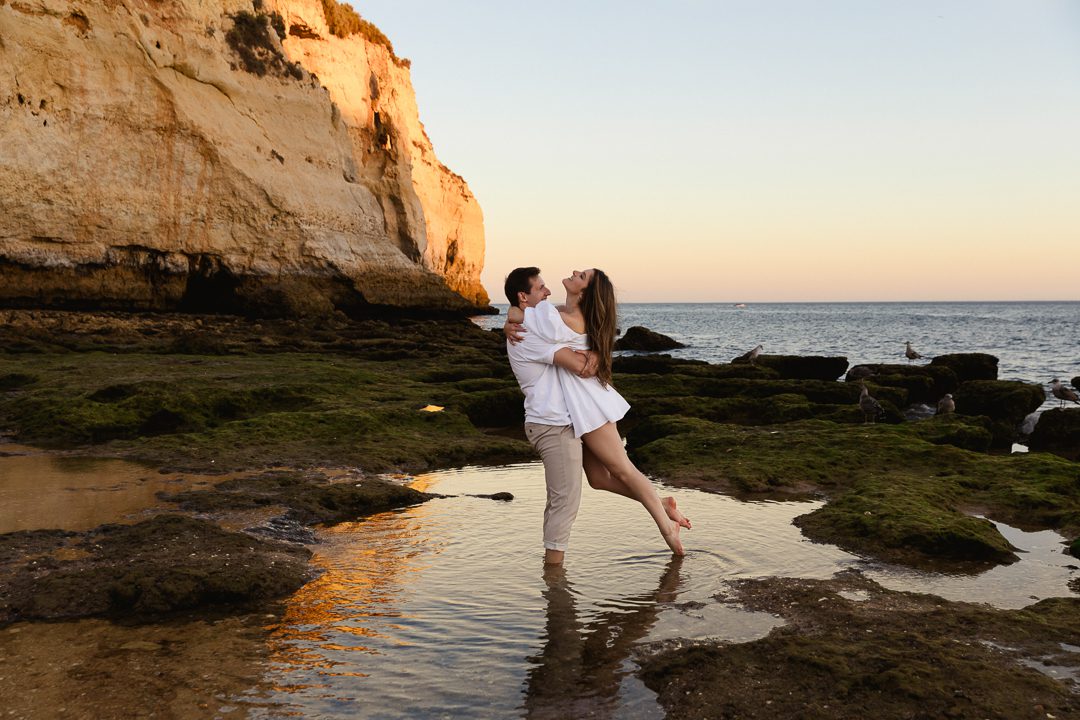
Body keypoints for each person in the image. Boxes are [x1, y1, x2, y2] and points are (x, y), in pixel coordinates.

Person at [506, 268, 689, 556]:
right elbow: (524, 316)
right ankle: (660, 502)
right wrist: (511, 318)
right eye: (541, 287)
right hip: (576, 404)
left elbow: (529, 320)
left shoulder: (557, 318)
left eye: (581, 276)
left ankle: (667, 529)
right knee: (598, 478)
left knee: (623, 470)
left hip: (588, 401)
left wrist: (513, 316)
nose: (574, 272)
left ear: (585, 293)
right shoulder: (557, 315)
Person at [503, 267, 601, 566]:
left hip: (561, 422)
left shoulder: (535, 322)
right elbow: (581, 367)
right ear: (524, 296)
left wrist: (511, 316)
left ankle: (659, 504)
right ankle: (554, 574)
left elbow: (557, 322)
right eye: (541, 288)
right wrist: (594, 355)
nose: (547, 292)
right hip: (552, 424)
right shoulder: (525, 333)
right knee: (565, 500)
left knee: (582, 487)